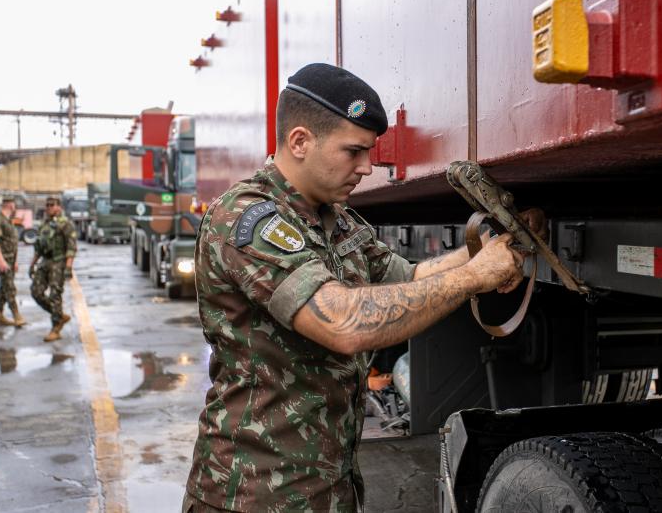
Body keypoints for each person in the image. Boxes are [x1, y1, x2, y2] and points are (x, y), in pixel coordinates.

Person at [183, 63, 544, 513]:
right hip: (253, 493)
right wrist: (476, 276)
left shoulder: (337, 219)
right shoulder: (247, 218)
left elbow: (408, 278)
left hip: (328, 486)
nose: (367, 167)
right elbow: (343, 322)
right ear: (299, 141)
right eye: (353, 152)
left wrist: (487, 250)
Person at [29, 196, 77, 342]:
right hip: (45, 261)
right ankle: (60, 315)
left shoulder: (66, 224)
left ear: (59, 207)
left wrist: (68, 267)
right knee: (36, 292)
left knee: (55, 295)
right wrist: (33, 263)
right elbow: (39, 247)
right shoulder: (45, 224)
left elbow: (71, 247)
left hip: (59, 262)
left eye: (52, 205)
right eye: (47, 205)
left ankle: (56, 328)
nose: (48, 207)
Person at [0, 197, 26, 327]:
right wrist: (1, 261)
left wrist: (15, 261)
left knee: (3, 287)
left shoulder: (8, 221)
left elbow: (14, 243)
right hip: (3, 260)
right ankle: (17, 316)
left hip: (10, 259)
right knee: (9, 287)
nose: (15, 207)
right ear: (11, 205)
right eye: (14, 205)